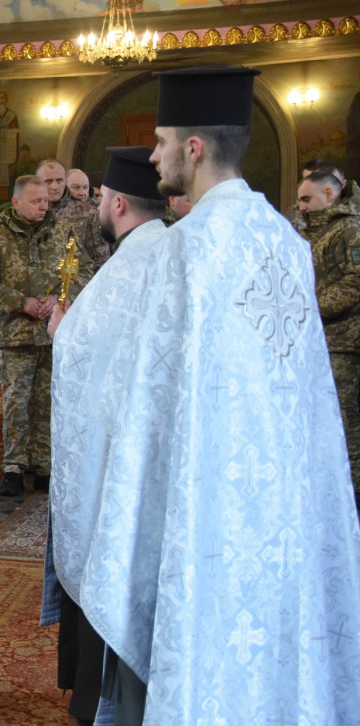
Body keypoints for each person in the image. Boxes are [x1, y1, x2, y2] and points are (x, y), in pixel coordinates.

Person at [74, 65, 360, 724]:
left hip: (205, 500)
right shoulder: (287, 242)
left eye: (161, 141)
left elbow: (146, 399)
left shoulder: (185, 250)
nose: (152, 156)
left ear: (193, 149)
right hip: (282, 495)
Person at [45, 146, 166, 726]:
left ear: (117, 202)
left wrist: (62, 333)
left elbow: (85, 353)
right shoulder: (167, 251)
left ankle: (98, 699)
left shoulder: (131, 264)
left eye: (99, 198)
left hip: (119, 458)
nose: (95, 205)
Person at [0, 175, 91, 497]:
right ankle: (13, 466)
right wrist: (18, 301)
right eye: (36, 201)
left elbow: (85, 271)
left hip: (54, 332)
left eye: (47, 201)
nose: (43, 206)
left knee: (47, 401)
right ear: (16, 202)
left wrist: (61, 299)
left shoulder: (63, 232)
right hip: (16, 333)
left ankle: (44, 465)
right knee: (15, 403)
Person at [295, 170, 360, 510]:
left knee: (345, 425)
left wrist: (311, 308)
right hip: (315, 341)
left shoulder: (348, 230)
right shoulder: (308, 232)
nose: (300, 207)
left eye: (307, 199)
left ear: (329, 194)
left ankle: (352, 502)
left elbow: (355, 280)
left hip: (342, 341)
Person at [40, 159, 109, 270]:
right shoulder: (33, 210)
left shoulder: (89, 213)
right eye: (76, 187)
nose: (82, 192)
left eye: (85, 187)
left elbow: (100, 260)